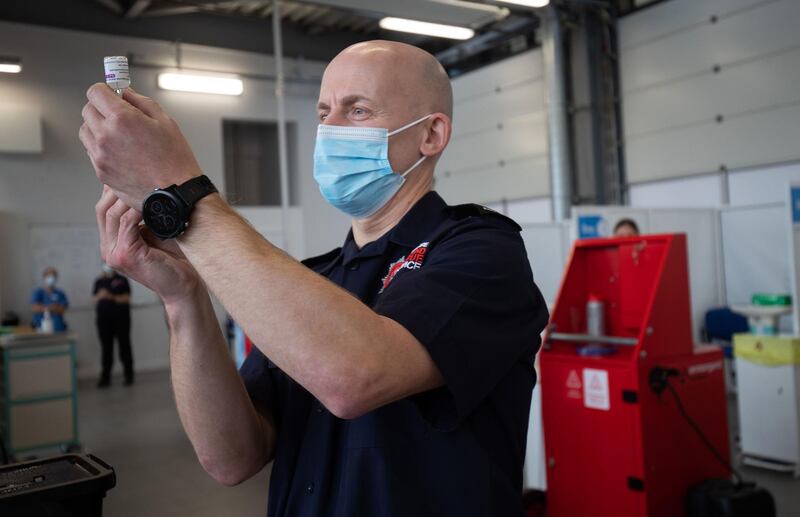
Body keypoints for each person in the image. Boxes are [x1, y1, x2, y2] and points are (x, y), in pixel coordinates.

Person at [79, 40, 549, 516]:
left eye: (358, 110)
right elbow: (232, 459)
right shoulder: (312, 279)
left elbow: (354, 377)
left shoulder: (483, 253)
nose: (330, 130)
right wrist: (183, 299)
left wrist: (183, 195)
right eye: (324, 113)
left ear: (431, 134)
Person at [93, 264, 134, 387]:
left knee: (124, 347)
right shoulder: (99, 281)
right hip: (104, 320)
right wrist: (100, 296)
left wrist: (110, 296)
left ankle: (129, 376)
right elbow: (94, 299)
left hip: (121, 319)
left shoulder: (122, 280)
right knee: (106, 349)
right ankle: (105, 378)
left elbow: (126, 298)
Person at [30, 267, 69, 332]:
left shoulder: (60, 293)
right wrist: (51, 308)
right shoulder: (38, 292)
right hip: (40, 327)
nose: (51, 278)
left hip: (58, 328)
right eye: (49, 276)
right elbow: (35, 308)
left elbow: (63, 309)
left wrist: (43, 308)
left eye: (54, 276)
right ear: (44, 277)